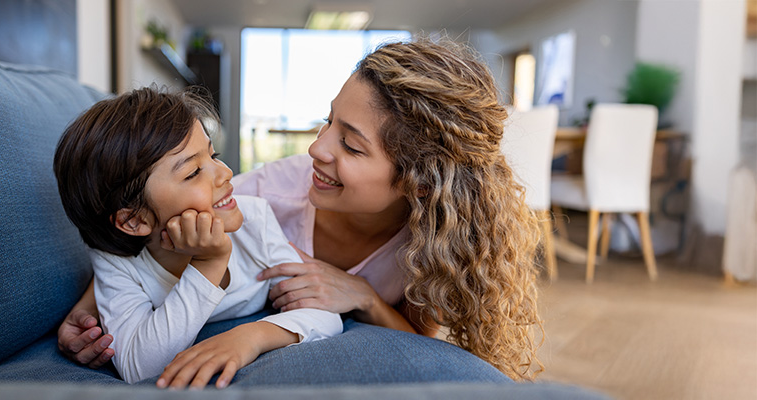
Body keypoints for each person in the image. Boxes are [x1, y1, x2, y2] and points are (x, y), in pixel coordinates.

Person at [58, 37, 544, 381]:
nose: (316, 149)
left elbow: (422, 340)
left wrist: (363, 297)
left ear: (418, 184)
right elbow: (146, 225)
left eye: (351, 147)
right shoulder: (264, 197)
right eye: (327, 121)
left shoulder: (438, 233)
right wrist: (90, 306)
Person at [52, 87, 342, 388]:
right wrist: (208, 264)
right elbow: (140, 368)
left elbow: (325, 314)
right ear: (134, 220)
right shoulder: (117, 260)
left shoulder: (255, 222)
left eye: (213, 155)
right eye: (193, 172)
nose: (226, 173)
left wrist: (251, 336)